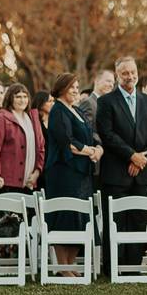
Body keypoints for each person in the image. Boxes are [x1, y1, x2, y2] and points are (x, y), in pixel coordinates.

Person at [97, 56, 147, 272]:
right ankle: (113, 266)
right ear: (117, 75)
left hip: (143, 171)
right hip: (117, 171)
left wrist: (141, 158)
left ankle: (133, 265)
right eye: (125, 73)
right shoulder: (106, 102)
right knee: (115, 219)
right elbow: (107, 135)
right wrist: (131, 156)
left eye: (133, 72)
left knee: (138, 218)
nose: (130, 76)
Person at [46, 73, 101, 274]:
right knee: (65, 215)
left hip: (81, 173)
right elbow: (67, 142)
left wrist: (96, 149)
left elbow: (89, 134)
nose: (76, 90)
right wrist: (90, 151)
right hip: (63, 172)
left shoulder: (76, 109)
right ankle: (62, 266)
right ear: (61, 89)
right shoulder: (58, 111)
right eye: (72, 87)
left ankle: (70, 262)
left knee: (80, 217)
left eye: (77, 87)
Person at [0, 83, 45, 194]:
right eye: (18, 97)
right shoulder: (1, 118)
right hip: (7, 182)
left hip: (30, 182)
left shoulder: (33, 118)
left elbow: (41, 147)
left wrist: (37, 172)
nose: (22, 100)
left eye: (25, 96)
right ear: (10, 98)